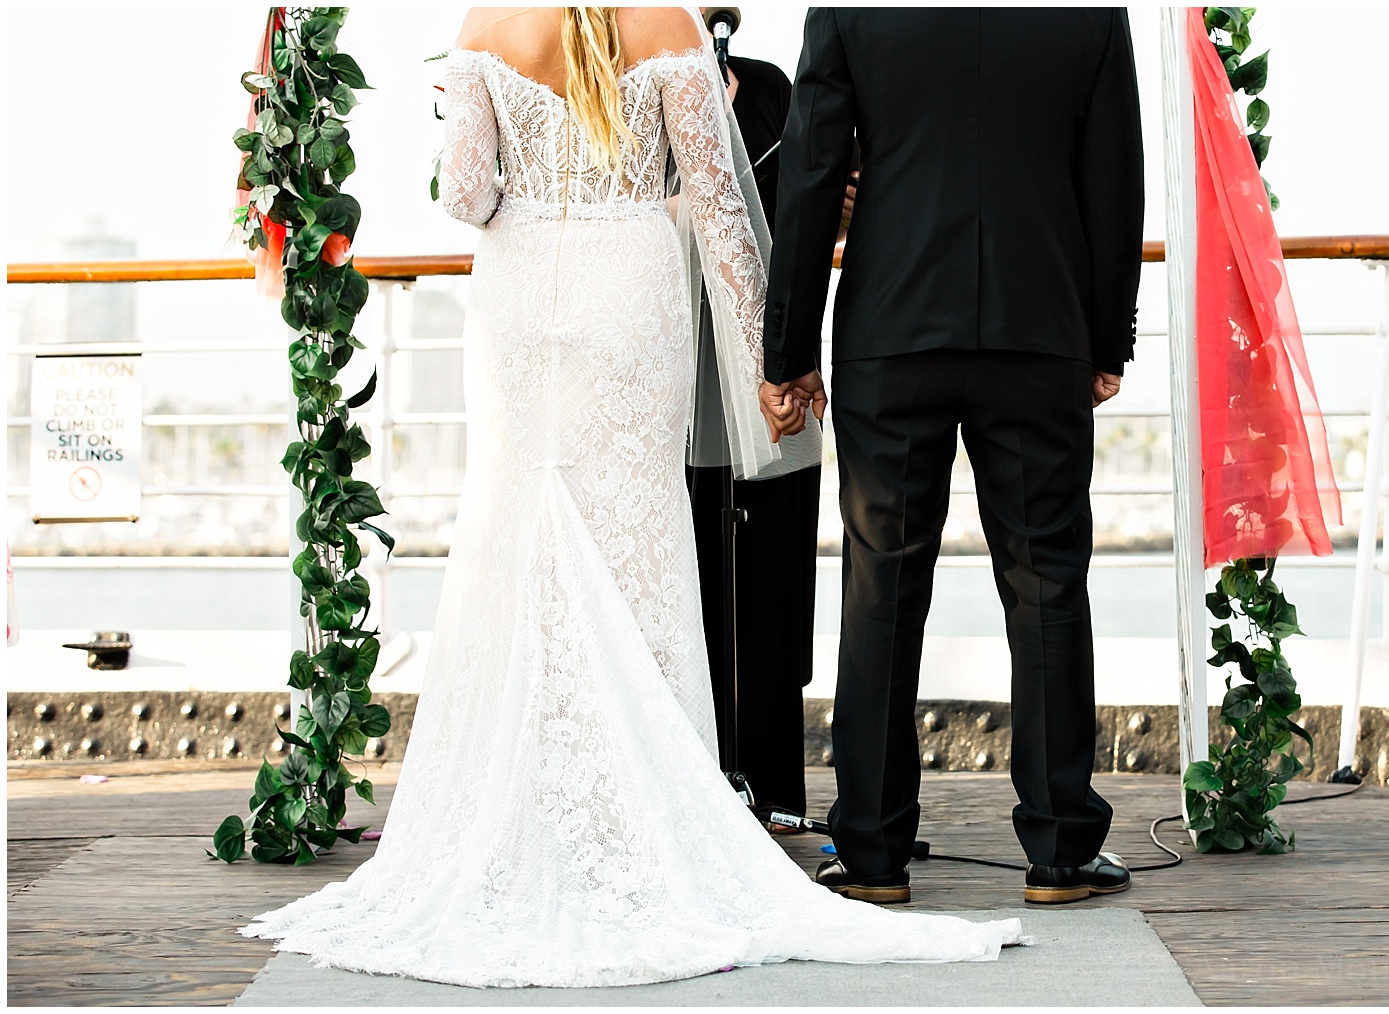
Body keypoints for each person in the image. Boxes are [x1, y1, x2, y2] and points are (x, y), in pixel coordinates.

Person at [242, 7, 1023, 988]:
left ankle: (511, 812)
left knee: (510, 531)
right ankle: (637, 815)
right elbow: (725, 212)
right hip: (631, 289)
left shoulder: (488, 20)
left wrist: (474, 129)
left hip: (519, 302)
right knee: (637, 538)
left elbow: (468, 197)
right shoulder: (669, 24)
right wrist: (769, 365)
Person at [760, 9, 1144, 906]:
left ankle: (869, 853)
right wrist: (1106, 338)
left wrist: (787, 353)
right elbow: (1113, 177)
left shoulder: (851, 9)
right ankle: (1060, 851)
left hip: (892, 328)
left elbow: (813, 172)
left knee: (879, 587)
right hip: (1037, 325)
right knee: (1046, 579)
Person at [684, 12, 852, 829]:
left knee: (775, 567)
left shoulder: (773, 87)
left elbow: (796, 219)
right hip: (673, 368)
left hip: (764, 370)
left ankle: (777, 787)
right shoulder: (625, 84)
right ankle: (693, 778)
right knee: (687, 564)